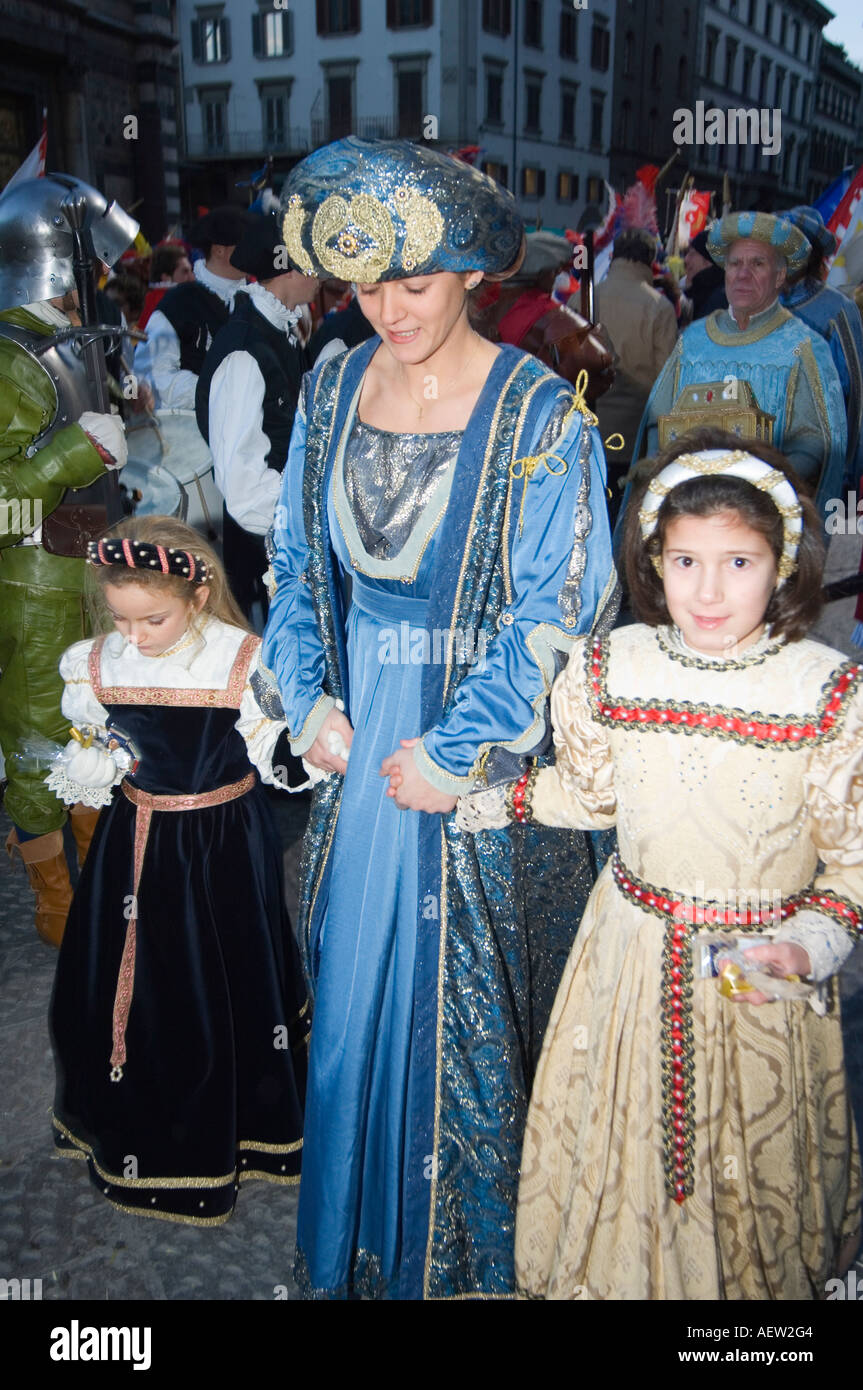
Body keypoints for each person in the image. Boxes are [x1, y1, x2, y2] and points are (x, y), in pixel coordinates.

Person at [263, 136, 617, 1299]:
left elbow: (555, 603)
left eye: (412, 282)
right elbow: (295, 564)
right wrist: (307, 698)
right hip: (356, 731)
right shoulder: (327, 382)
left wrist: (455, 751)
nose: (386, 308)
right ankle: (352, 1252)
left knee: (456, 1005)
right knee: (353, 997)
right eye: (364, 284)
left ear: (472, 273)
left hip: (468, 742)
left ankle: (453, 1267)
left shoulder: (536, 415)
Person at [460, 429, 863, 1298]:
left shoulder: (825, 691)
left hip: (758, 970)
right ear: (652, 561)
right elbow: (591, 798)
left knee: (745, 1161)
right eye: (684, 562)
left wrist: (807, 944)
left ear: (782, 567)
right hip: (631, 956)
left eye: (737, 564)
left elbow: (852, 863)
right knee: (623, 1140)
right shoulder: (612, 666)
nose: (708, 591)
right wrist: (482, 802)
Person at [48, 516, 310, 1224]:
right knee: (135, 973)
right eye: (120, 618)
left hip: (221, 838)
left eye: (152, 620)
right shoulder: (96, 662)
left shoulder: (239, 660)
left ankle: (242, 1118)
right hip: (133, 838)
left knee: (221, 967)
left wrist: (315, 748)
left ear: (197, 598)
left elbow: (279, 755)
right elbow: (98, 737)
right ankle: (134, 1102)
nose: (133, 636)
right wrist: (95, 758)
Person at [0, 174, 132, 946]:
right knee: (40, 740)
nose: (103, 277)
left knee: (92, 733)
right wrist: (68, 457)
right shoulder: (12, 358)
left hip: (85, 577)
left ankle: (98, 883)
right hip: (32, 586)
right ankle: (58, 904)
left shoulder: (59, 340)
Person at [632, 212, 847, 523]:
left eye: (757, 264)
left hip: (761, 523)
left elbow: (816, 442)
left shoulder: (804, 348)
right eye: (735, 264)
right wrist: (655, 467)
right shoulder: (692, 341)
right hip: (685, 516)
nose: (743, 274)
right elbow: (657, 420)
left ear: (779, 276)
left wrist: (764, 492)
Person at [195, 214, 319, 621]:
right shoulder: (246, 350)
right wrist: (302, 526)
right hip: (267, 555)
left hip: (281, 544)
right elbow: (244, 487)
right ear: (289, 269)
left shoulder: (276, 330)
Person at [590, 229, 678, 505]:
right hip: (635, 432)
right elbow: (668, 380)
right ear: (650, 260)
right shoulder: (659, 306)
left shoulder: (587, 297)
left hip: (591, 426)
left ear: (614, 255)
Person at [781, 205, 863, 495]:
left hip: (817, 468)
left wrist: (845, 470)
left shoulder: (838, 309)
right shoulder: (755, 304)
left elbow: (855, 395)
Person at [682, 228, 728, 321]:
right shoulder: (701, 293)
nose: (686, 259)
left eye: (692, 254)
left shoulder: (719, 302)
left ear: (709, 261)